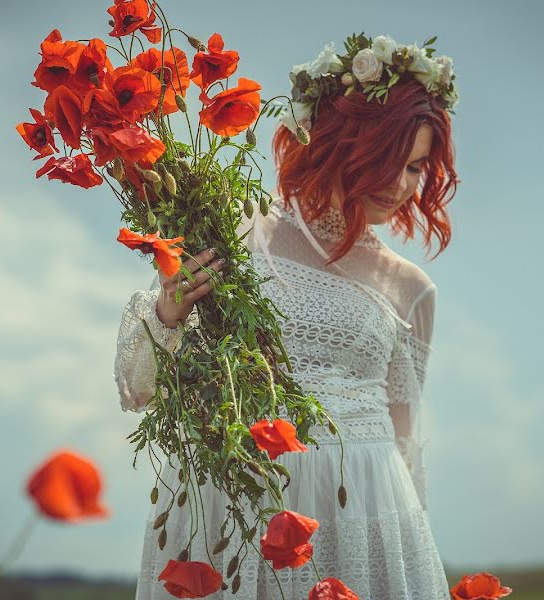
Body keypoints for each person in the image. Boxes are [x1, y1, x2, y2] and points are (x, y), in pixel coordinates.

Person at [115, 34, 459, 599]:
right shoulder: (239, 230)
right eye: (388, 161)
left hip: (361, 520)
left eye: (418, 168)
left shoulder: (413, 289)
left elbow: (403, 445)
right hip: (236, 505)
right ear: (337, 143)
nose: (402, 185)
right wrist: (166, 314)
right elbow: (138, 386)